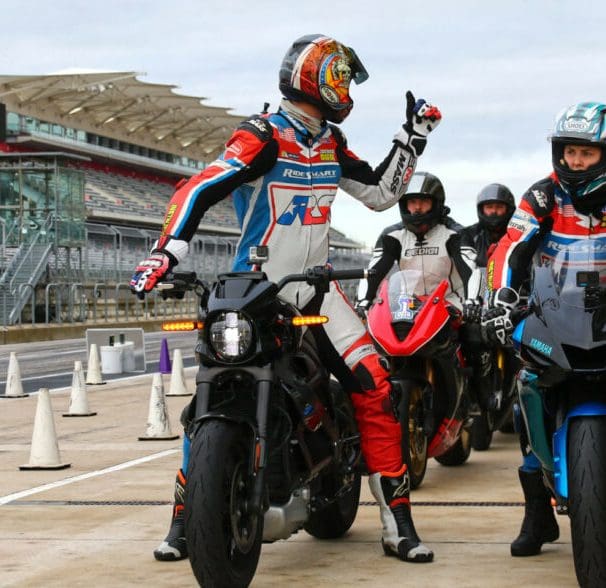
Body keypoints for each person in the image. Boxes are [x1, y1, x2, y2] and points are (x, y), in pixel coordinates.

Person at [131, 34, 441, 563]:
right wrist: (166, 252)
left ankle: (398, 524)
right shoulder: (263, 135)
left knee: (375, 385)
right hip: (253, 292)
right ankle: (186, 519)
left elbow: (380, 194)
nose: (346, 89)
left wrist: (411, 138)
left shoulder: (331, 143)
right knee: (210, 394)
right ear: (319, 79)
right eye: (341, 77)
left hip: (319, 290)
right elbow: (203, 185)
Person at [483, 101, 606, 556]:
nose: (575, 162)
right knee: (527, 391)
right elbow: (509, 245)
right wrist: (498, 297)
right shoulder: (544, 195)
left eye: (586, 154)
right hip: (556, 313)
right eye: (569, 152)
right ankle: (538, 515)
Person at [356, 171, 478, 316]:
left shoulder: (455, 234)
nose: (417, 207)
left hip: (451, 303)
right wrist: (364, 300)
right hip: (408, 306)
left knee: (472, 334)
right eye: (412, 202)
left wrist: (472, 301)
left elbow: (470, 272)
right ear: (404, 204)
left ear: (436, 204)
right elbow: (373, 272)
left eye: (424, 202)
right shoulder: (391, 236)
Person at [460, 184, 516, 268]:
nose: (494, 211)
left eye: (499, 207)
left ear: (508, 209)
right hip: (477, 280)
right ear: (481, 209)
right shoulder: (469, 235)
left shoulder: (518, 235)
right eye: (489, 207)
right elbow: (464, 268)